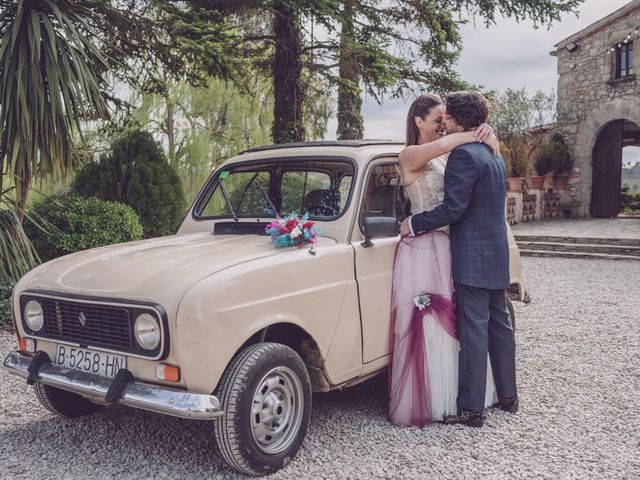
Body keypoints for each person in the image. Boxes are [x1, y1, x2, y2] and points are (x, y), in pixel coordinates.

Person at [399, 91, 518, 428]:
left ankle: (471, 410)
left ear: (458, 118)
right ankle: (508, 397)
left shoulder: (464, 155)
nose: (445, 121)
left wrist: (414, 223)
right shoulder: (493, 153)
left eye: (447, 116)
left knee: (474, 332)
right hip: (495, 251)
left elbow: (454, 209)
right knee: (500, 326)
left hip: (471, 254)